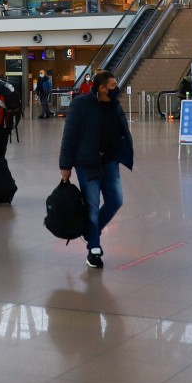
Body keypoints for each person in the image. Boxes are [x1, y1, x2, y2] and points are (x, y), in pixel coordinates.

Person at [59, 70, 133, 269]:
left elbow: (122, 132)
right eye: (112, 85)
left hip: (109, 162)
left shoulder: (115, 107)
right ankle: (94, 250)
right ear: (101, 88)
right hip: (87, 163)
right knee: (92, 206)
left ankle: (90, 231)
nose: (116, 88)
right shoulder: (81, 105)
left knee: (116, 200)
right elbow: (69, 136)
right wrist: (65, 166)